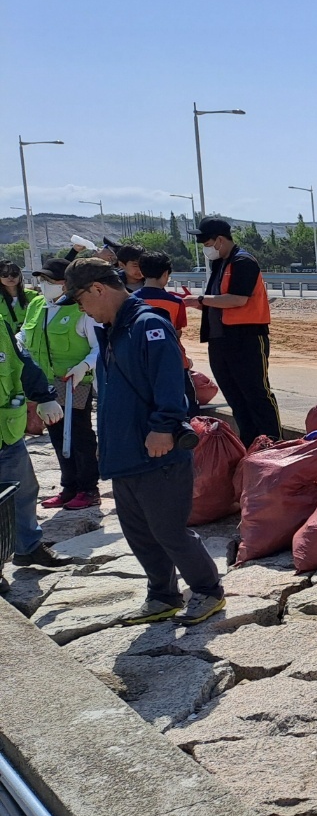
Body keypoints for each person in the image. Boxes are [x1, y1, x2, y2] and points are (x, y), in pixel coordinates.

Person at [60, 258, 225, 625]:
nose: (83, 311)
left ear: (98, 290)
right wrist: (108, 439)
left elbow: (169, 382)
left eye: (82, 301)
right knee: (139, 531)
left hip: (158, 450)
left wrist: (165, 426)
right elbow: (113, 393)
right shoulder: (112, 330)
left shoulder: (148, 325)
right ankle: (163, 595)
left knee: (168, 529)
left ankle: (207, 590)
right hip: (126, 450)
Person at [187, 218, 282, 444]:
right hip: (220, 339)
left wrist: (200, 299)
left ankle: (274, 442)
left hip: (246, 338)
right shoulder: (220, 263)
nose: (205, 248)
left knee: (256, 393)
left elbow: (238, 299)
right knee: (235, 396)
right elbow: (218, 299)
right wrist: (200, 303)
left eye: (206, 242)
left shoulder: (243, 261)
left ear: (220, 240)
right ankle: (250, 443)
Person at [0, 306, 73, 592]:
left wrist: (44, 396)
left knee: (23, 491)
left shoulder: (0, 325)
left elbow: (21, 361)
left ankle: (27, 546)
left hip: (6, 431)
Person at [21, 259, 101, 510]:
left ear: (65, 283)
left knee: (79, 435)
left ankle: (88, 489)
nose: (44, 285)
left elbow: (100, 345)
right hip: (46, 385)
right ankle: (69, 486)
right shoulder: (37, 305)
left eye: (50, 280)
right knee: (56, 435)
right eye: (41, 280)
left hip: (74, 383)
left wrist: (85, 366)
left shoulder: (81, 309)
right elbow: (23, 335)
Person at [132, 252, 191, 367]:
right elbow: (177, 332)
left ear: (142, 272)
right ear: (165, 274)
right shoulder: (176, 302)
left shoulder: (130, 300)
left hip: (139, 360)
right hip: (170, 358)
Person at [0, 261, 33, 337]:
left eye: (14, 274)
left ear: (20, 276)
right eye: (4, 275)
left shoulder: (33, 296)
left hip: (26, 341)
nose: (10, 277)